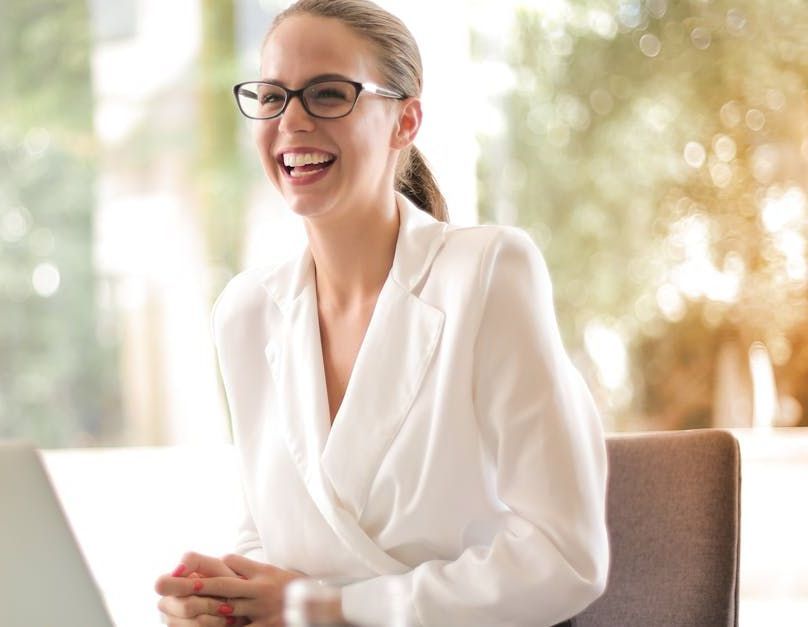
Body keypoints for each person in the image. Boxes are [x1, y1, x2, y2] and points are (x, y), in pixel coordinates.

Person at [154, 1, 609, 625]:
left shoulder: (488, 272)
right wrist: (223, 599)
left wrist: (331, 610)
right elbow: (265, 538)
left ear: (406, 120)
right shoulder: (245, 313)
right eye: (272, 96)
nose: (292, 121)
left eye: (328, 94)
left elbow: (564, 557)